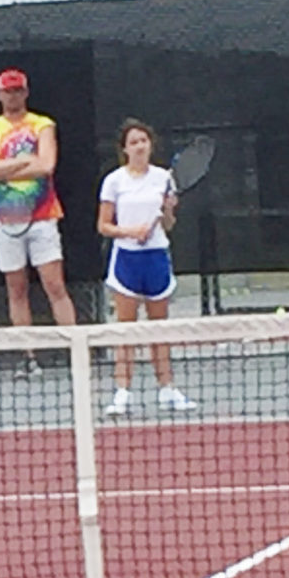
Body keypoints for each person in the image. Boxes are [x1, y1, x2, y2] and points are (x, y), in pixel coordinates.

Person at [0, 68, 76, 374]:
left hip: (43, 216)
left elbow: (46, 165)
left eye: (18, 90)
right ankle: (28, 358)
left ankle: (75, 352)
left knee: (54, 284)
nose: (13, 96)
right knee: (16, 288)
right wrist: (22, 162)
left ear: (26, 92)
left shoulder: (42, 124)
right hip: (3, 220)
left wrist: (5, 167)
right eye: (8, 91)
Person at [94, 119, 195, 414]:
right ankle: (122, 392)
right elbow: (103, 225)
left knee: (158, 328)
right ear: (125, 149)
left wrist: (167, 212)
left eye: (144, 141)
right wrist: (129, 232)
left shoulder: (164, 178)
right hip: (126, 260)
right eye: (134, 142)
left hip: (156, 259)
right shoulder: (114, 181)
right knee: (125, 330)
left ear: (151, 145)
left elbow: (168, 225)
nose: (140, 146)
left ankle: (167, 389)